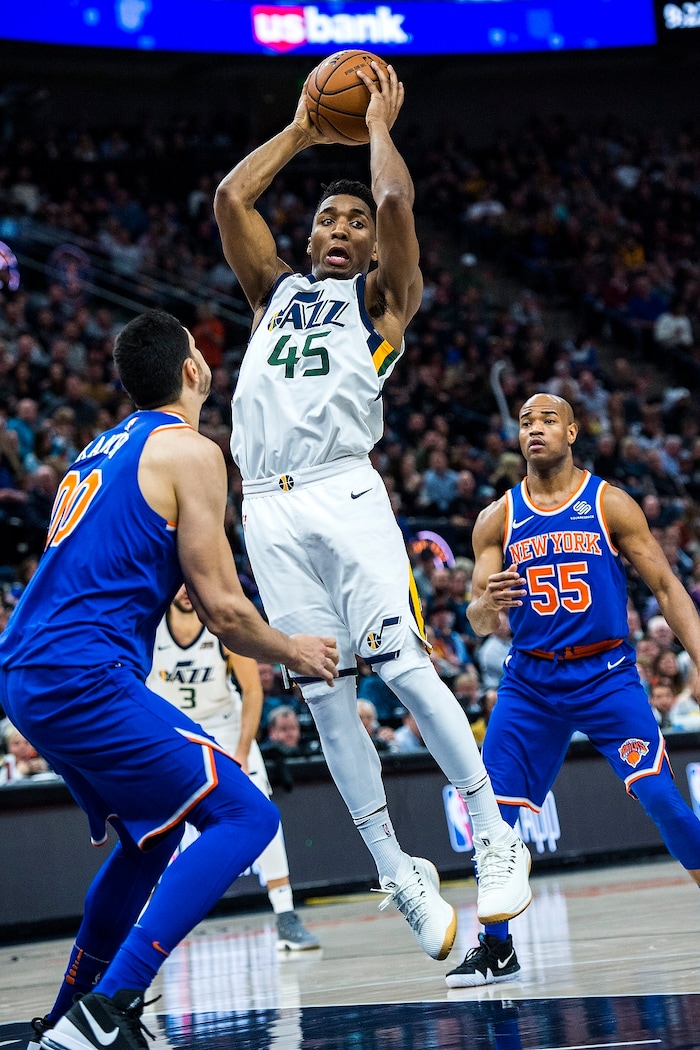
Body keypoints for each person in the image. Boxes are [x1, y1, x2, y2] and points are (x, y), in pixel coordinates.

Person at [214, 60, 531, 965]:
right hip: (266, 510)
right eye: (328, 218)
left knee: (401, 668)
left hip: (344, 490)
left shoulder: (384, 301)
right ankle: (396, 866)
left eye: (352, 219)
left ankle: (492, 831)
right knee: (323, 694)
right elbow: (233, 197)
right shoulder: (273, 292)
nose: (343, 227)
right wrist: (306, 131)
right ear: (309, 238)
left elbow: (398, 210)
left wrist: (378, 129)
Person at [0, 309, 338, 1050]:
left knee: (149, 842)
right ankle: (111, 1007)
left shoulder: (99, 448)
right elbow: (221, 608)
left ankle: (67, 1018)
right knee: (249, 817)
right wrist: (295, 650)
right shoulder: (191, 450)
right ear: (192, 369)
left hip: (28, 669)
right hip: (79, 669)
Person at [446, 392, 700, 989]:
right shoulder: (496, 518)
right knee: (493, 818)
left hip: (605, 674)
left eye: (547, 421)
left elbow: (665, 586)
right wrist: (487, 605)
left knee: (662, 798)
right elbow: (476, 618)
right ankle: (497, 947)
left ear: (573, 431)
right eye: (525, 422)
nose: (534, 430)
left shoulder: (610, 503)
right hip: (530, 680)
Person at [147, 584, 320, 951]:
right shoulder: (150, 622)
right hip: (172, 730)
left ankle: (285, 915)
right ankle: (144, 921)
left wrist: (242, 750)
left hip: (224, 726)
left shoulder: (220, 621)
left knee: (263, 812)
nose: (186, 590)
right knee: (150, 821)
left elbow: (252, 691)